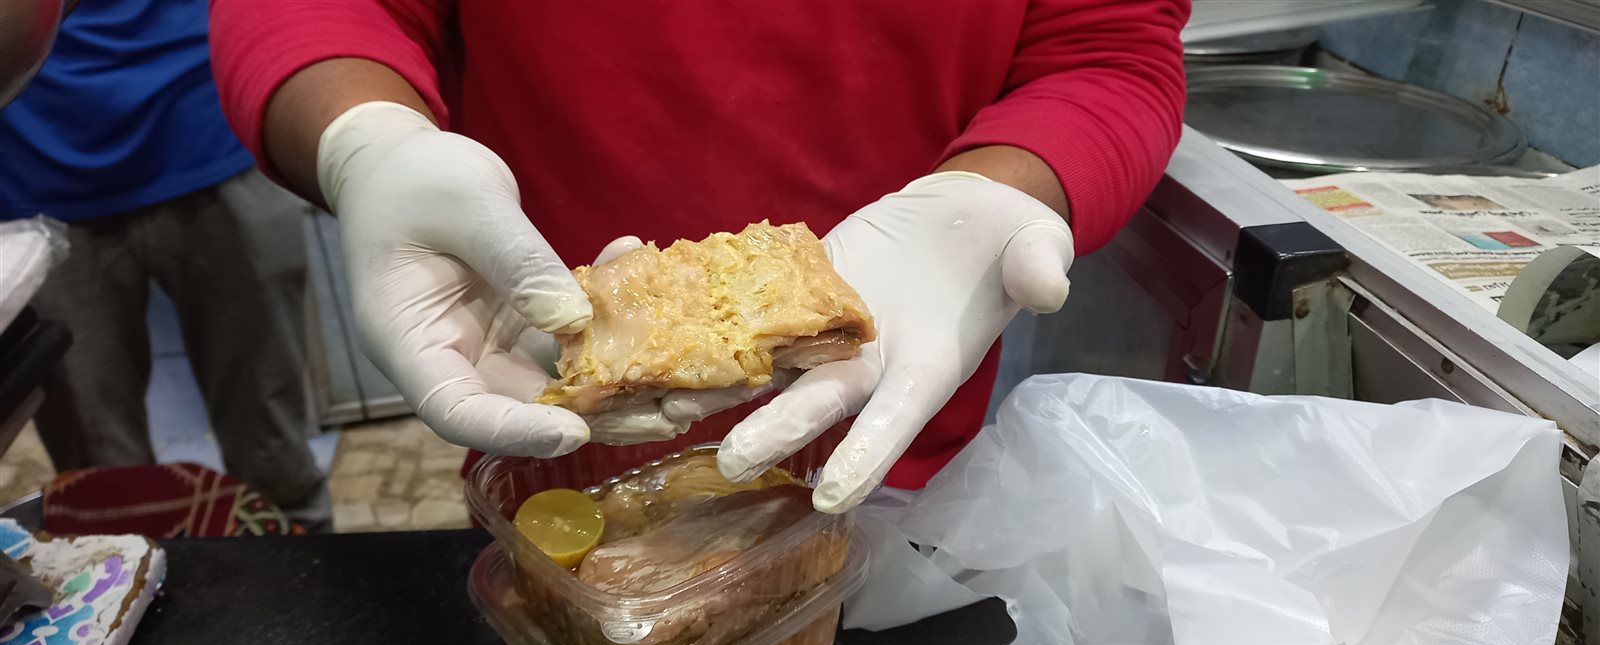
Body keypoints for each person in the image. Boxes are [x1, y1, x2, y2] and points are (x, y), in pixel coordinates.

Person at [210, 0, 1187, 513]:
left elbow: (1105, 48)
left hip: (895, 429)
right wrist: (366, 140)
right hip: (552, 408)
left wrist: (1003, 189)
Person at [0, 0, 332, 531]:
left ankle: (305, 571)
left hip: (213, 127)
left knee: (275, 455)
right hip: (35, 178)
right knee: (102, 490)